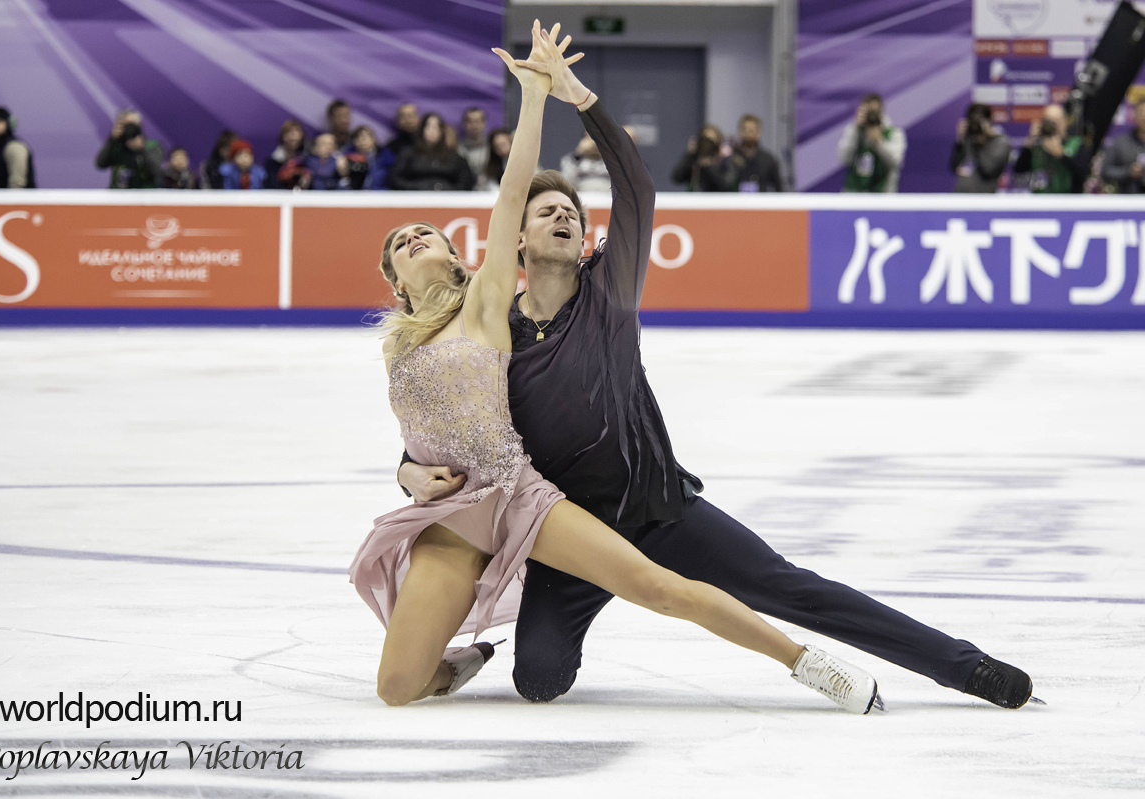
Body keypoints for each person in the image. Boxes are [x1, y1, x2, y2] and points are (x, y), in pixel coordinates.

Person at [398, 30, 1037, 712]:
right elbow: (453, 423)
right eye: (544, 210)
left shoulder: (609, 291)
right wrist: (407, 468)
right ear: (516, 240)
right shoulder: (495, 333)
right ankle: (526, 634)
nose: (561, 214)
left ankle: (967, 668)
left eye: (571, 212)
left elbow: (636, 189)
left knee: (794, 588)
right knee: (540, 679)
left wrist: (580, 99)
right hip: (571, 532)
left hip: (659, 510)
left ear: (584, 237)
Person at [354, 21, 883, 714]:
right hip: (448, 522)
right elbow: (423, 433)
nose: (414, 238)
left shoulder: (484, 304)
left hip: (515, 496)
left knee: (660, 588)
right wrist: (406, 471)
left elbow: (513, 192)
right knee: (397, 689)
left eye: (426, 232)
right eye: (400, 243)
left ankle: (810, 663)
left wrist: (537, 95)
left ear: (459, 257)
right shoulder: (397, 345)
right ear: (395, 279)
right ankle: (467, 656)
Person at [388, 112, 475, 191]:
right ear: (422, 130)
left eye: (436, 127)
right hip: (414, 200)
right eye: (428, 126)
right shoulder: (408, 153)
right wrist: (416, 187)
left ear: (442, 131)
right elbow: (394, 179)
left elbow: (466, 181)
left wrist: (448, 190)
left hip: (448, 201)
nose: (432, 131)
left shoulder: (453, 156)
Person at [1012, 104, 1089, 194]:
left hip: (1068, 202)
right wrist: (1029, 143)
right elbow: (1019, 170)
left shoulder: (1077, 144)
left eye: (1055, 121)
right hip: (1040, 201)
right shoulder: (1037, 146)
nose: (1052, 126)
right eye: (1047, 121)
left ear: (1065, 121)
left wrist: (1061, 155)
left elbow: (1083, 175)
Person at [838, 93, 906, 192]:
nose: (871, 116)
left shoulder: (893, 133)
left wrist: (879, 142)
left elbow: (896, 162)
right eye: (867, 112)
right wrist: (855, 131)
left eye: (874, 112)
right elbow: (844, 159)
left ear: (881, 112)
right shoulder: (853, 131)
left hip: (882, 195)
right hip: (854, 194)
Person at [950, 103, 1011, 193]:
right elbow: (954, 167)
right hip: (960, 197)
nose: (976, 125)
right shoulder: (969, 139)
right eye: (973, 120)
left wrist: (980, 144)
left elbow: (988, 171)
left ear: (990, 121)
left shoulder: (1000, 142)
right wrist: (960, 141)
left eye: (980, 120)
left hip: (985, 200)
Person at [95, 114, 164, 189]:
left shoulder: (152, 145)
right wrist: (111, 140)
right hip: (118, 194)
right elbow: (101, 164)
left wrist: (141, 149)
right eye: (125, 124)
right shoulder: (116, 146)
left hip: (144, 194)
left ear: (140, 125)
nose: (129, 127)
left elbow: (156, 173)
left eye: (132, 124)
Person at [671, 124, 737, 191]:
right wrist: (689, 154)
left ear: (718, 143)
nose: (707, 146)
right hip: (695, 199)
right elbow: (677, 178)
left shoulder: (725, 160)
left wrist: (710, 166)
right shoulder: (694, 158)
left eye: (711, 142)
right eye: (705, 141)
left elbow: (726, 185)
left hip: (719, 200)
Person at [0, 106, 35, 189]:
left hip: (18, 201)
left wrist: (12, 200)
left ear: (9, 124)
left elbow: (17, 183)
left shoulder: (14, 147)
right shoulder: (4, 146)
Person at [1100, 101, 1145, 193]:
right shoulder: (1121, 142)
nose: (1144, 117)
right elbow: (1105, 171)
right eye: (1141, 113)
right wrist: (1128, 172)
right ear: (1134, 116)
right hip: (1129, 200)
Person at [731, 114, 783, 192]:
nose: (748, 134)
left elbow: (779, 188)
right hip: (735, 202)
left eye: (752, 131)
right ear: (739, 131)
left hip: (761, 202)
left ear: (759, 132)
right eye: (745, 130)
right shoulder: (731, 158)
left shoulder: (768, 159)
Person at [342, 126, 393, 190]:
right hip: (355, 193)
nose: (362, 140)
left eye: (365, 136)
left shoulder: (384, 155)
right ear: (354, 141)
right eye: (358, 137)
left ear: (373, 139)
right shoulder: (348, 155)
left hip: (380, 192)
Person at [265, 119, 308, 190]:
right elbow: (272, 186)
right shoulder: (273, 161)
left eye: (297, 131)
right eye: (289, 132)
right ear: (282, 136)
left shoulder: (307, 159)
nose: (293, 135)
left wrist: (306, 181)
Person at [457, 107, 490, 179]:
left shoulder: (492, 148)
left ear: (484, 123)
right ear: (464, 124)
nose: (474, 125)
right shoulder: (457, 149)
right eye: (470, 121)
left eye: (477, 121)